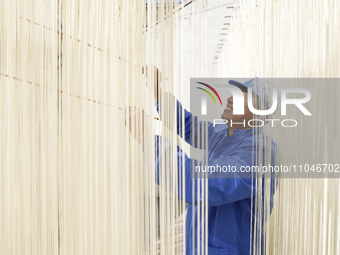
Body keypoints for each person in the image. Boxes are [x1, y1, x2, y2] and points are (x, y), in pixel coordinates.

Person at [154, 78, 278, 255]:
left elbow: (199, 182)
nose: (230, 99)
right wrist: (158, 93)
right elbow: (188, 125)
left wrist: (152, 143)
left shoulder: (259, 152)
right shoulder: (223, 134)